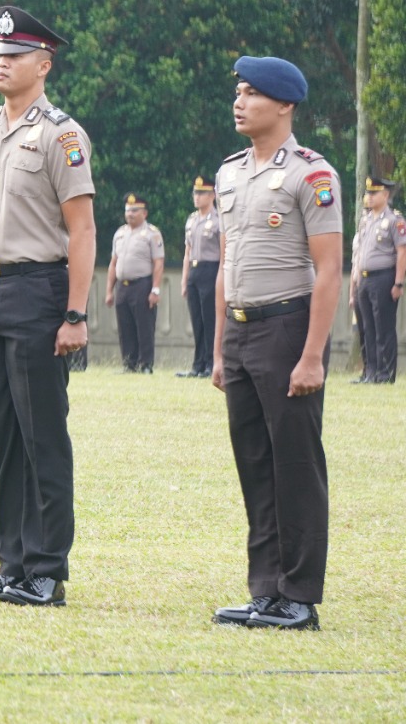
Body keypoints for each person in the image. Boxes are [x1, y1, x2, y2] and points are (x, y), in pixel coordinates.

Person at [0, 6, 95, 608]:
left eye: (13, 56)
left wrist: (75, 313)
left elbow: (83, 228)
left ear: (44, 64)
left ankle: (45, 569)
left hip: (38, 290)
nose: (1, 64)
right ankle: (11, 562)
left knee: (42, 435)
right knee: (2, 438)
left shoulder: (62, 135)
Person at [211, 55, 341, 631]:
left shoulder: (311, 175)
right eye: (238, 92)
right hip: (240, 333)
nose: (239, 102)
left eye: (252, 93)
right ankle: (265, 589)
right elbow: (225, 263)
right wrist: (219, 349)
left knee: (295, 465)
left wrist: (312, 354)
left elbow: (331, 269)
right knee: (255, 466)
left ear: (284, 104)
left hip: (287, 328)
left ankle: (300, 596)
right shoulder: (230, 172)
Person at [350, 177, 405, 384]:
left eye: (374, 193)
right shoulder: (366, 219)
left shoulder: (394, 220)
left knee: (384, 328)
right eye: (368, 193)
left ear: (386, 195)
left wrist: (398, 282)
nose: (369, 197)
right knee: (366, 328)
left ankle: (385, 374)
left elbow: (402, 252)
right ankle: (370, 372)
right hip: (363, 279)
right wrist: (354, 283)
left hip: (384, 277)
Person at [105, 194, 164, 373]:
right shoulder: (120, 233)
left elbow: (159, 262)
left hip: (142, 285)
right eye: (127, 210)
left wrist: (155, 289)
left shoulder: (152, 234)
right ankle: (129, 364)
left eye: (134, 210)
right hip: (122, 286)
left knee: (144, 326)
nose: (130, 214)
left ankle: (145, 364)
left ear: (144, 213)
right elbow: (113, 262)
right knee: (125, 326)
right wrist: (109, 290)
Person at [178, 177, 220, 377]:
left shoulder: (219, 220)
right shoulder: (192, 219)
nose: (197, 197)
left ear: (212, 195)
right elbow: (188, 251)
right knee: (197, 320)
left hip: (211, 270)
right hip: (194, 271)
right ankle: (198, 364)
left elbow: (224, 252)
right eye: (195, 192)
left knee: (210, 319)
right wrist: (185, 279)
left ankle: (212, 363)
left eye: (201, 193)